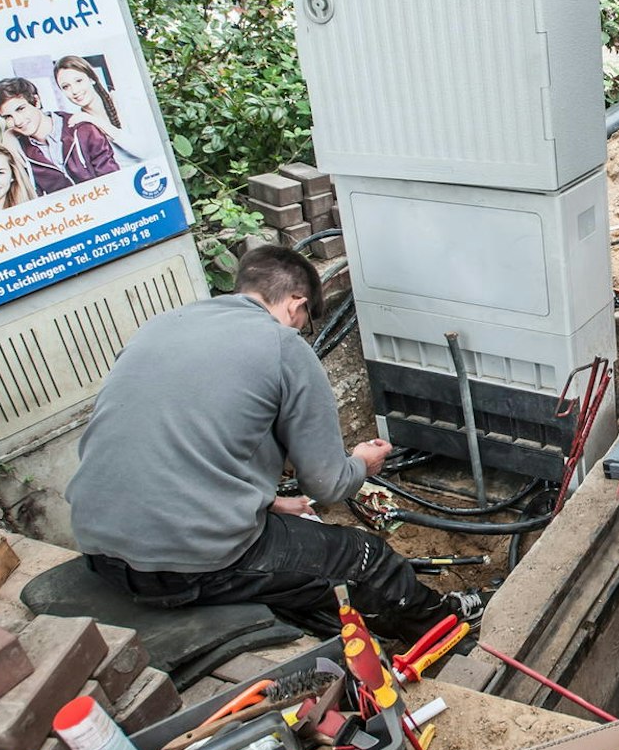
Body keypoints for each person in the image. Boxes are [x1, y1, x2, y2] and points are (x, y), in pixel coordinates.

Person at [66, 245, 481, 641]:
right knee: (365, 558)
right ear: (296, 304)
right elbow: (328, 486)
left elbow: (184, 448)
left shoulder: (161, 326)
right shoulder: (283, 346)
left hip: (99, 547)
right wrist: (359, 464)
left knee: (300, 561)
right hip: (189, 564)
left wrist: (268, 502)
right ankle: (442, 628)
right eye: (307, 320)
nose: (303, 329)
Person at [0, 76, 120, 194]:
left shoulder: (83, 129)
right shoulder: (19, 152)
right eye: (8, 117)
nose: (18, 121)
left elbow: (113, 179)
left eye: (21, 109)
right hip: (64, 218)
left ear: (36, 101)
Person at [55, 55, 154, 165]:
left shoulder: (124, 100)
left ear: (91, 78)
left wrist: (95, 121)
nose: (74, 90)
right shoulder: (79, 123)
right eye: (66, 87)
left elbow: (144, 151)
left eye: (78, 81)